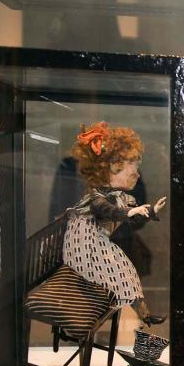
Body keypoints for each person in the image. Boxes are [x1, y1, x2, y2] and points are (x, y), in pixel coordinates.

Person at [64, 122, 167, 329]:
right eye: (132, 168)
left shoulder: (121, 197)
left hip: (99, 243)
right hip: (85, 246)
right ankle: (87, 321)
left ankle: (144, 315)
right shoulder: (97, 197)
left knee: (127, 271)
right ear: (111, 168)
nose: (137, 175)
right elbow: (108, 211)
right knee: (120, 271)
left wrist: (151, 211)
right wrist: (130, 212)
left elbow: (133, 220)